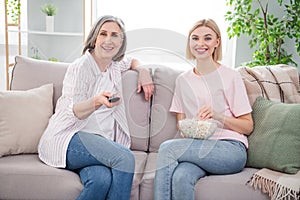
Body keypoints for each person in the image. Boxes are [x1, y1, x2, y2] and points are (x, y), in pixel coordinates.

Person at [38, 15, 154, 200]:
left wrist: (143, 71)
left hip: (97, 142)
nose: (108, 40)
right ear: (94, 38)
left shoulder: (113, 66)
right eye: (103, 34)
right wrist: (96, 101)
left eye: (115, 35)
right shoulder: (81, 67)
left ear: (121, 41)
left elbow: (132, 61)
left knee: (100, 180)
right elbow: (73, 110)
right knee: (125, 158)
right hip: (67, 138)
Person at [153, 18, 254, 200]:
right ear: (189, 43)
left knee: (167, 148)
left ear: (217, 42)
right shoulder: (183, 80)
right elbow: (181, 125)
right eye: (195, 38)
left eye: (207, 38)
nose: (200, 43)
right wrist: (193, 126)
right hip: (199, 147)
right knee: (181, 176)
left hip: (230, 149)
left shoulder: (231, 76)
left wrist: (217, 116)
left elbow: (248, 126)